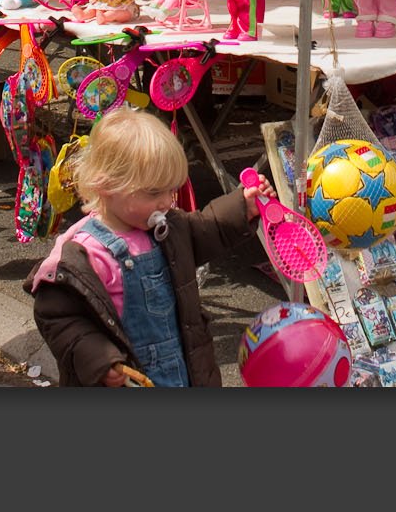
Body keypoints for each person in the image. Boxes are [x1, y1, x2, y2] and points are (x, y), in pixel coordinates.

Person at [27, 107, 271, 387]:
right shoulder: (84, 254)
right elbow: (61, 318)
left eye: (171, 190)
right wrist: (98, 359)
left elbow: (207, 228)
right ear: (106, 185)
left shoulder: (165, 228)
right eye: (154, 192)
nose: (167, 201)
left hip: (186, 371)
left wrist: (242, 206)